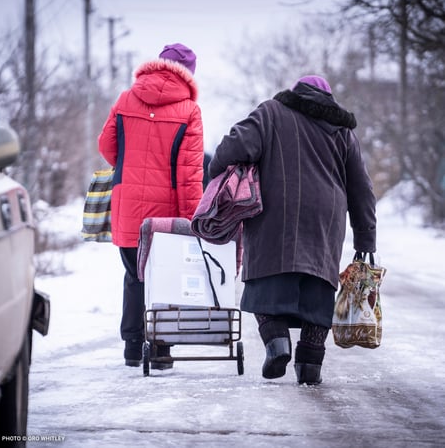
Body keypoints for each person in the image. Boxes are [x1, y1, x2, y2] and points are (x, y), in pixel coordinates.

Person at [208, 75, 377, 384]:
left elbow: (234, 146)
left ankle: (277, 344)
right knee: (317, 291)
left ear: (296, 92)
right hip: (325, 220)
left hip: (276, 215)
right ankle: (310, 363)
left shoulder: (271, 113)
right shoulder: (343, 132)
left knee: (266, 286)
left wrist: (217, 171)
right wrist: (366, 235)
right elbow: (361, 188)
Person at [98, 43, 204, 368]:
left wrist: (129, 171)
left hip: (126, 206)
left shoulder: (125, 99)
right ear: (189, 74)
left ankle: (132, 348)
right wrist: (191, 220)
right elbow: (190, 175)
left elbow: (106, 145)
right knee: (165, 276)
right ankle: (159, 350)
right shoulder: (189, 110)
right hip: (167, 212)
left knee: (134, 274)